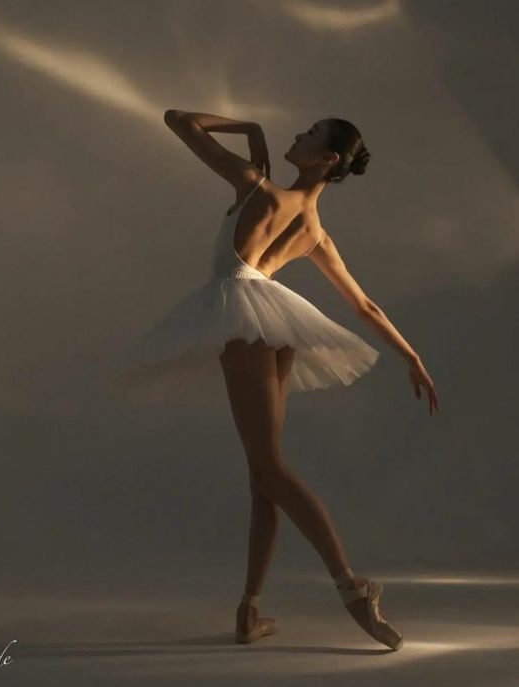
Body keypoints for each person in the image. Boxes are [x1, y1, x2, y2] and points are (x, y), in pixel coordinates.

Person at [112, 110, 440, 649]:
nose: (296, 136)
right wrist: (411, 356)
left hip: (244, 320)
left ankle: (352, 586)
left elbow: (177, 119)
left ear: (327, 159)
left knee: (269, 468)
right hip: (277, 323)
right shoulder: (315, 232)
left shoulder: (252, 183)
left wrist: (248, 128)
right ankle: (250, 609)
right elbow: (365, 305)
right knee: (262, 473)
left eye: (308, 136)